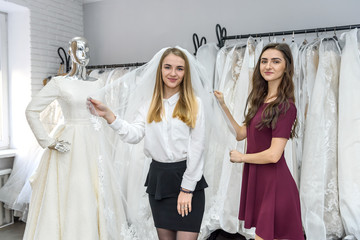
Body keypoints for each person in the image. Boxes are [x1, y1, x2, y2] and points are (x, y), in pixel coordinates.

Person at [88, 47, 209, 240]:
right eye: (168, 67)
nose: (173, 73)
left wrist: (187, 189)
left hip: (188, 180)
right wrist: (110, 116)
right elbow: (133, 134)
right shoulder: (149, 103)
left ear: (186, 73)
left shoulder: (195, 103)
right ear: (160, 69)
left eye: (179, 69)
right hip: (159, 181)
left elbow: (198, 147)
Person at [23, 37, 126, 240]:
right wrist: (48, 141)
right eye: (79, 49)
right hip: (70, 144)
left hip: (95, 143)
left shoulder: (98, 82)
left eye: (87, 49)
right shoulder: (59, 83)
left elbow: (103, 113)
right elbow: (31, 110)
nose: (84, 54)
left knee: (96, 193)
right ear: (70, 54)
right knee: (73, 192)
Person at [214, 43, 304, 240]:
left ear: (286, 67)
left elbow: (274, 155)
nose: (268, 66)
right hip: (261, 183)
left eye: (275, 61)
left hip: (276, 186)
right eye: (264, 61)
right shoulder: (261, 100)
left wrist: (241, 157)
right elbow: (240, 133)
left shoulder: (286, 107)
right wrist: (223, 106)